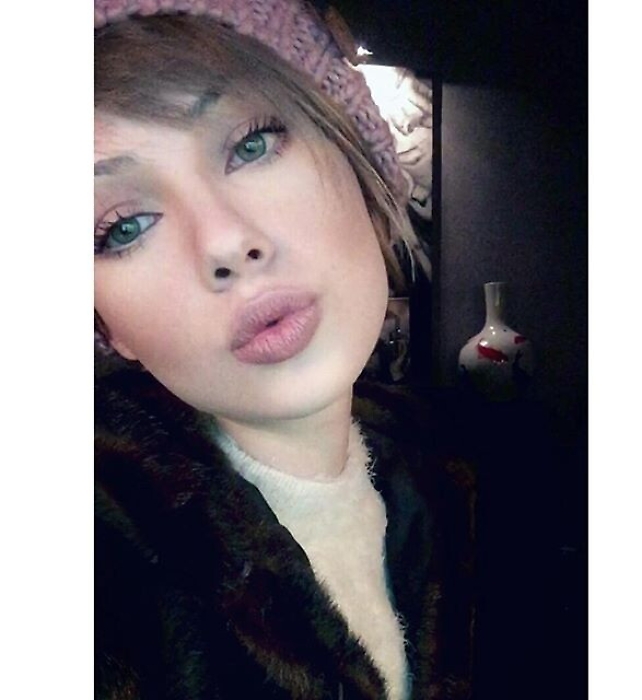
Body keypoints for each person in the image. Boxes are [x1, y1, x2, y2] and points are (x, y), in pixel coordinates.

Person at [94, 1, 476, 698]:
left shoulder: (495, 486)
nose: (225, 242)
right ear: (104, 322)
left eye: (251, 145)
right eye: (123, 227)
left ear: (356, 158)